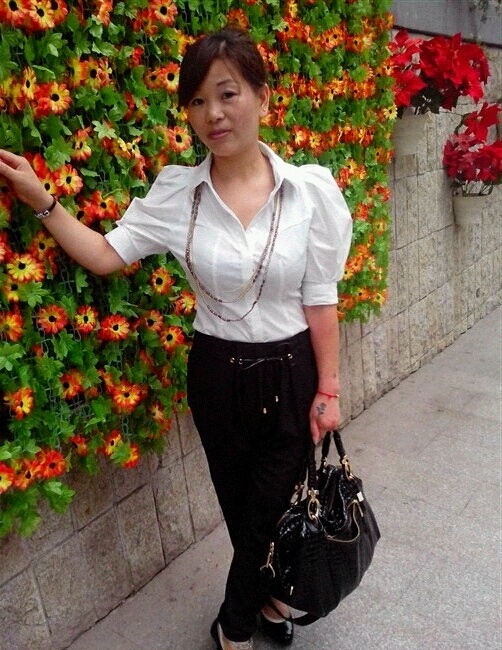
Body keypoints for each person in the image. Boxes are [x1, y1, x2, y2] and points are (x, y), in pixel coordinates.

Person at [0, 27, 352, 650]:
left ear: (263, 97)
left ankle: (232, 629)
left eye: (228, 94)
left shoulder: (309, 193)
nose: (213, 114)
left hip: (291, 370)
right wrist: (44, 201)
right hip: (216, 374)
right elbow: (107, 255)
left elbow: (320, 297)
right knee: (242, 510)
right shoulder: (177, 194)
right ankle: (271, 603)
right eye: (197, 101)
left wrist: (328, 387)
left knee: (271, 508)